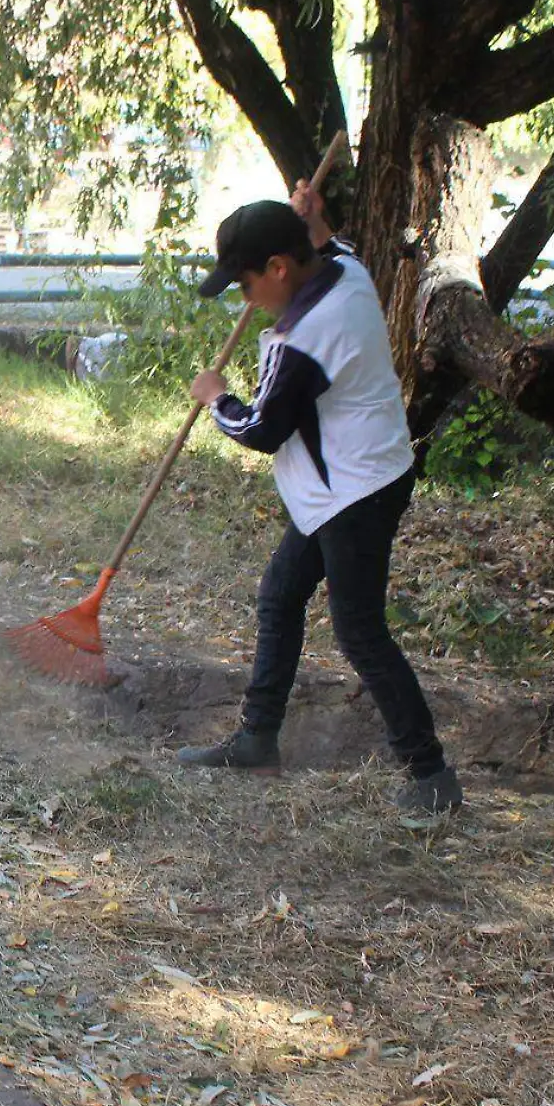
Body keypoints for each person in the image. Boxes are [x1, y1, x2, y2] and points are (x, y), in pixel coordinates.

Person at [174, 185, 462, 814]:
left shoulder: (302, 339)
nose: (244, 300)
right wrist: (321, 226)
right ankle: (257, 741)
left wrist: (216, 397)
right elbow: (342, 248)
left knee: (359, 633)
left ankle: (430, 775)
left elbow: (262, 429)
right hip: (356, 476)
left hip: (352, 491)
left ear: (279, 268)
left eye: (246, 285)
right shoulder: (347, 272)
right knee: (280, 597)